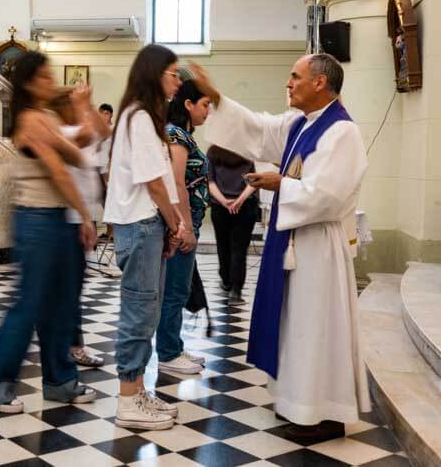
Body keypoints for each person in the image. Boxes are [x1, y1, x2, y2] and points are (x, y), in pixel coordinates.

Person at [191, 53, 371, 440]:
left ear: (320, 82)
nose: (288, 83)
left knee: (315, 328)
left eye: (295, 76)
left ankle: (326, 413)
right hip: (292, 242)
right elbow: (258, 129)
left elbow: (330, 195)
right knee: (295, 327)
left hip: (317, 247)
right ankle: (298, 404)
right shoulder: (300, 123)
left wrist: (281, 185)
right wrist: (217, 99)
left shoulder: (342, 132)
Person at [0, 51, 97, 414]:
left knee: (60, 305)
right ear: (29, 83)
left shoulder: (46, 116)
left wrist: (79, 104)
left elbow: (80, 147)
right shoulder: (30, 119)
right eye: (45, 77)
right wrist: (86, 215)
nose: (51, 81)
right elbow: (60, 169)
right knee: (28, 304)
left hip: (55, 218)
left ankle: (60, 382)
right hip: (36, 219)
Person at [103, 44, 185, 430]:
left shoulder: (143, 117)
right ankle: (127, 400)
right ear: (155, 74)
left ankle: (137, 391)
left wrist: (169, 223)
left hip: (147, 224)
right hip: (140, 224)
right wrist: (175, 222)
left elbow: (159, 178)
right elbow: (153, 182)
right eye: (174, 73)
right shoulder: (138, 117)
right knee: (138, 313)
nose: (179, 81)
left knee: (148, 311)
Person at [49, 88, 110, 368]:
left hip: (80, 220)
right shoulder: (62, 131)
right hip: (68, 220)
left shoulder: (76, 127)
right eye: (73, 104)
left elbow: (104, 132)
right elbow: (88, 134)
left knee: (72, 287)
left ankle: (68, 343)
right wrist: (84, 104)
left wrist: (87, 104)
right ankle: (72, 346)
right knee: (69, 289)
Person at [156, 79, 210, 376]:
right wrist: (185, 228)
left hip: (189, 222)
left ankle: (174, 346)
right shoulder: (176, 134)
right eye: (205, 105)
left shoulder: (183, 135)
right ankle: (168, 352)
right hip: (181, 225)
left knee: (179, 287)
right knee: (175, 290)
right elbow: (177, 183)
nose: (208, 111)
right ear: (188, 104)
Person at [207, 145, 258, 304]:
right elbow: (254, 181)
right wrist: (240, 200)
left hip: (220, 206)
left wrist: (224, 201)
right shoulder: (248, 150)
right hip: (245, 206)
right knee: (239, 249)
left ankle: (226, 280)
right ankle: (236, 291)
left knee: (223, 245)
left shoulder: (213, 152)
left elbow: (210, 181)